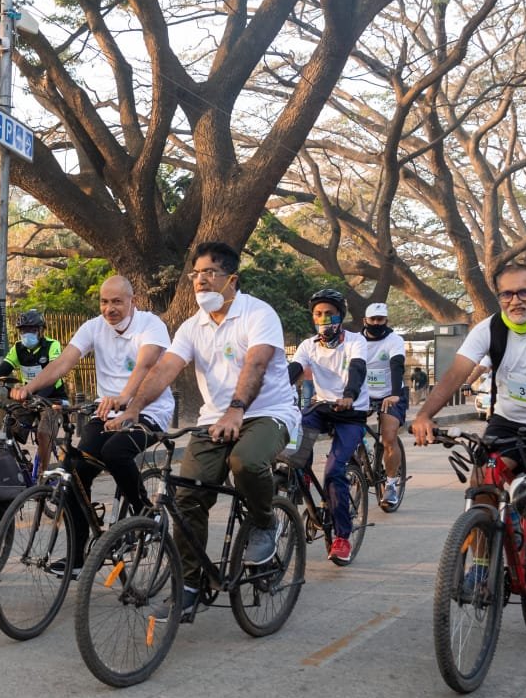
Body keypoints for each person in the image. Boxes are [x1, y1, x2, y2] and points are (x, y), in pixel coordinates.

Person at [108, 242, 300, 619]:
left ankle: (265, 523)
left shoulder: (258, 314)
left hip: (267, 412)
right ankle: (190, 586)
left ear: (232, 279)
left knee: (245, 461)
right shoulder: (192, 326)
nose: (200, 281)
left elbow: (256, 364)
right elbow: (165, 368)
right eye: (196, 274)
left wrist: (236, 410)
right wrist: (133, 409)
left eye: (210, 273)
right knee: (187, 498)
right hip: (213, 419)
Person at [411, 261, 526, 589]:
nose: (515, 300)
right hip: (507, 422)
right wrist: (424, 415)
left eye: (524, 292)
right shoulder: (489, 329)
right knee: (482, 486)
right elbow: (456, 373)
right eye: (506, 294)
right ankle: (480, 566)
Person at [10, 276, 174, 578]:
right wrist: (29, 389)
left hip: (148, 410)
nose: (109, 308)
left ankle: (145, 515)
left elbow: (144, 365)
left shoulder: (150, 325)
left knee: (115, 452)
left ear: (133, 301)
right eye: (104, 302)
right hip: (105, 410)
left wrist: (125, 398)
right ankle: (78, 555)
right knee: (75, 471)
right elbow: (63, 362)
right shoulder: (93, 327)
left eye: (117, 302)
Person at [287, 289, 369, 560]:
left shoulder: (356, 341)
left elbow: (357, 369)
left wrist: (350, 395)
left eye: (329, 314)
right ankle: (302, 479)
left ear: (340, 316)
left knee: (334, 471)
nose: (323, 319)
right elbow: (293, 371)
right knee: (295, 439)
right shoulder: (308, 345)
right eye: (318, 314)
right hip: (322, 408)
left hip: (351, 411)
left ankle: (342, 537)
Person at [0, 309, 67, 476]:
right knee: (9, 429)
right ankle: (24, 465)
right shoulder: (18, 348)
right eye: (23, 330)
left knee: (43, 432)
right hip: (28, 398)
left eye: (32, 329)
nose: (27, 334)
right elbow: (1, 371)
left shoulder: (52, 345)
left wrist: (38, 397)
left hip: (52, 397)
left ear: (41, 331)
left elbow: (54, 375)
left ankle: (42, 474)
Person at [361, 301, 408, 510]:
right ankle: (362, 454)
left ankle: (390, 485)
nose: (376, 323)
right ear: (365, 320)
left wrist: (395, 394)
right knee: (348, 429)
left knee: (389, 438)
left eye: (380, 319)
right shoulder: (356, 341)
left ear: (386, 320)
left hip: (391, 394)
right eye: (373, 319)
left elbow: (397, 365)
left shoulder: (394, 340)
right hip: (363, 394)